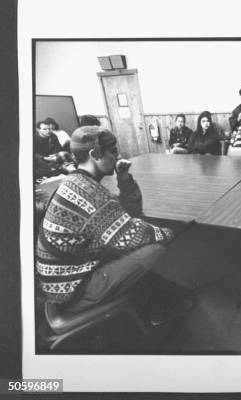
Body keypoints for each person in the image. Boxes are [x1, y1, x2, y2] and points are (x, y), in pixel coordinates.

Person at [35, 126, 191, 319]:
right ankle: (156, 305)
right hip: (72, 291)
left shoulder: (74, 181)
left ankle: (156, 297)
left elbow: (127, 211)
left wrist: (124, 179)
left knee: (127, 248)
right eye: (114, 151)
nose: (119, 156)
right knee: (153, 248)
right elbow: (135, 235)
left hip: (59, 282)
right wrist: (175, 231)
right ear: (95, 154)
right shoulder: (91, 193)